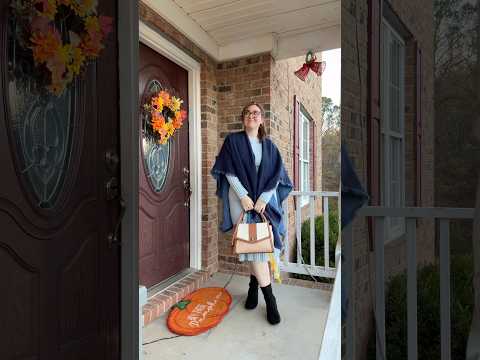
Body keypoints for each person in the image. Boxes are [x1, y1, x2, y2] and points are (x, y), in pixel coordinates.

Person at [211, 101, 292, 325]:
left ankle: (253, 289)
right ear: (243, 118)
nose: (251, 116)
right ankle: (271, 300)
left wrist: (264, 199)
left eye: (255, 113)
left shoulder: (270, 146)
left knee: (257, 248)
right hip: (242, 200)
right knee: (254, 246)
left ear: (262, 119)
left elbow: (276, 177)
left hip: (265, 201)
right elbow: (228, 171)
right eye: (247, 113)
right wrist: (244, 196)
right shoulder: (233, 141)